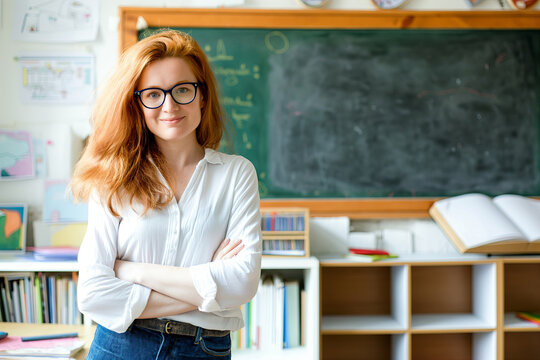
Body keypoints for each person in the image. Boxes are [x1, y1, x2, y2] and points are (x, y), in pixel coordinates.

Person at [70, 30, 262, 359]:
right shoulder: (114, 177)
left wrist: (132, 271)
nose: (169, 105)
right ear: (137, 103)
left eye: (182, 90)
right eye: (153, 94)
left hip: (204, 349)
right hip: (122, 345)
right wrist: (210, 289)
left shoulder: (236, 174)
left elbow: (242, 283)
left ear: (202, 96)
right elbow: (93, 293)